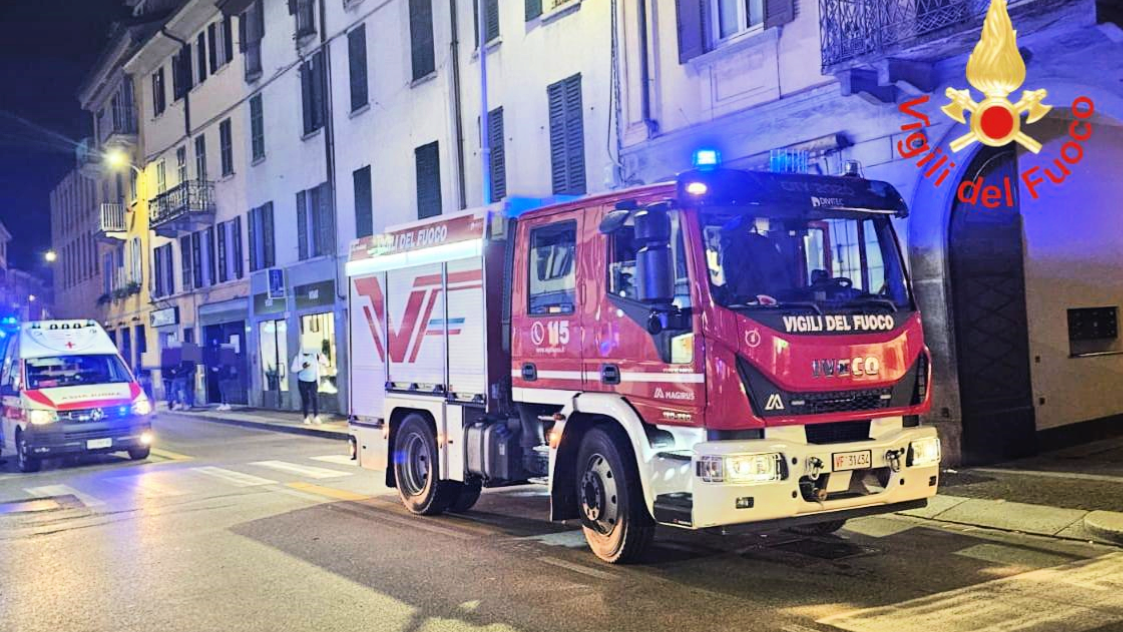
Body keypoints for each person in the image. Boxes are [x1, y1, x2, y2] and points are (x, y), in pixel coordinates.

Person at [291, 347, 328, 424]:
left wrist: (320, 355)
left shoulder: (314, 356)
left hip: (313, 380)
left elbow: (326, 363)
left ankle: (316, 416)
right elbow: (293, 369)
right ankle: (306, 417)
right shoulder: (298, 358)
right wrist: (302, 367)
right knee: (305, 399)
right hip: (302, 381)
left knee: (314, 398)